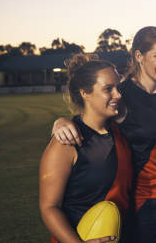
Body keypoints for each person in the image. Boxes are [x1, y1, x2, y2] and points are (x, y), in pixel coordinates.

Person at [52, 27, 156, 243]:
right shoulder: (121, 96)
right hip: (141, 206)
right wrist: (61, 122)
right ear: (139, 56)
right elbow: (90, 120)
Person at [39, 54, 132, 243]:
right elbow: (49, 207)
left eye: (118, 87)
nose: (118, 94)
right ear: (85, 93)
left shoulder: (121, 130)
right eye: (108, 89)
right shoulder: (65, 142)